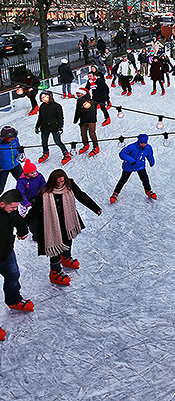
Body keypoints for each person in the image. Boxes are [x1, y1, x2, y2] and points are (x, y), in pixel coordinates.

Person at [26, 169, 101, 286]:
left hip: (68, 219)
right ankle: (55, 272)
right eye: (57, 183)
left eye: (62, 181)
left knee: (68, 239)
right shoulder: (45, 192)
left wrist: (95, 207)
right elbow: (34, 211)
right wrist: (23, 227)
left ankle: (66, 257)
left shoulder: (69, 185)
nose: (60, 184)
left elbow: (81, 195)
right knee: (56, 245)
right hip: (52, 223)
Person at [0, 189, 34, 340]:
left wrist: (22, 231)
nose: (14, 210)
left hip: (7, 253)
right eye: (13, 207)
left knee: (13, 274)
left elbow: (18, 220)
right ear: (2, 204)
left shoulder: (11, 212)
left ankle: (13, 299)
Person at [110, 134, 156, 203]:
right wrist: (131, 160)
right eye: (141, 143)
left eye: (144, 143)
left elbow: (150, 155)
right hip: (129, 166)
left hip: (140, 165)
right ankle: (115, 193)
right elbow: (122, 153)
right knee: (123, 180)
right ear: (138, 142)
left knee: (145, 179)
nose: (143, 144)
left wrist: (151, 161)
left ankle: (148, 190)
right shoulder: (132, 147)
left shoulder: (148, 148)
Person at [36, 91, 71, 165]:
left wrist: (60, 127)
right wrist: (37, 126)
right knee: (44, 141)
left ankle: (66, 153)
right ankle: (45, 152)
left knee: (57, 141)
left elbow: (60, 117)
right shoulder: (42, 106)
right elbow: (40, 117)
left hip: (54, 126)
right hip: (44, 126)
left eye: (46, 97)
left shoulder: (57, 106)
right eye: (42, 98)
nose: (44, 99)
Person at [73, 88, 99, 157]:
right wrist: (76, 119)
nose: (77, 95)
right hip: (83, 120)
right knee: (83, 134)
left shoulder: (90, 101)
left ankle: (96, 146)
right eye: (77, 93)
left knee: (92, 133)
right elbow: (77, 110)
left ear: (83, 93)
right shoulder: (79, 101)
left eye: (79, 93)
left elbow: (92, 109)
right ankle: (86, 145)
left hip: (91, 119)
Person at [0, 126, 23, 196]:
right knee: (0, 188)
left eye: (14, 136)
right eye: (11, 137)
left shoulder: (15, 139)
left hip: (15, 165)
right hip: (3, 169)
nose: (13, 138)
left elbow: (18, 147)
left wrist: (20, 150)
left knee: (23, 181)